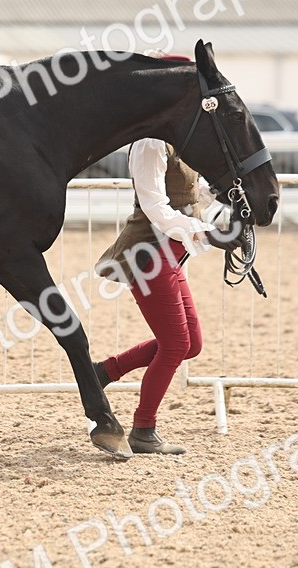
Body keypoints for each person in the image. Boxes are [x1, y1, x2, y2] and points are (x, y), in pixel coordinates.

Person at [93, 54, 239, 456]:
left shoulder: (181, 138)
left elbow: (193, 197)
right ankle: (143, 430)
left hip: (171, 258)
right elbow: (156, 207)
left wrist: (224, 215)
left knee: (190, 344)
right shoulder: (150, 142)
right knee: (175, 345)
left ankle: (103, 372)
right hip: (148, 255)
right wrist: (206, 232)